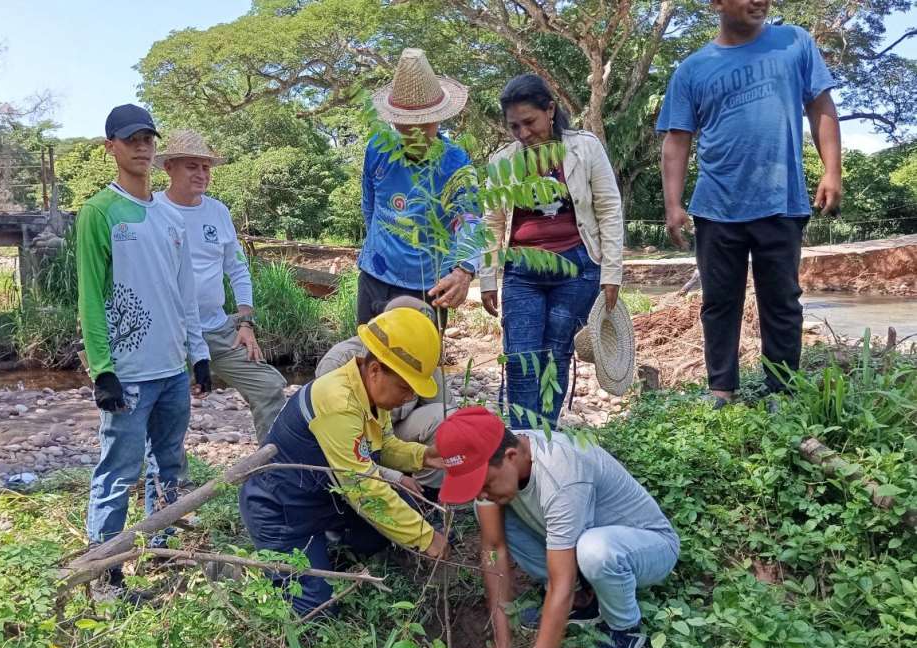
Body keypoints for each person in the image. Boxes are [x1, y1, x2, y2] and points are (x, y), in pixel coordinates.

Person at [436, 407, 679, 648]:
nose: (483, 493)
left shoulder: (561, 472)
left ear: (511, 455)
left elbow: (558, 586)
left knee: (595, 552)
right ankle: (588, 599)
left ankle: (625, 632)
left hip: (645, 545)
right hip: (580, 544)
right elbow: (493, 552)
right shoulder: (496, 472)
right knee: (498, 521)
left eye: (485, 484)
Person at [657, 0, 842, 407]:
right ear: (717, 4)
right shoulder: (692, 68)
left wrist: (832, 171)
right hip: (716, 205)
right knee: (719, 301)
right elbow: (677, 139)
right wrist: (673, 204)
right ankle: (721, 388)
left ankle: (781, 388)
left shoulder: (795, 43)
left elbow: (821, 106)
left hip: (781, 199)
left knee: (782, 301)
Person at [239, 308, 451, 615]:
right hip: (282, 512)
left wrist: (424, 456)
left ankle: (329, 548)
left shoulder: (368, 393)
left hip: (326, 501)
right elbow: (364, 490)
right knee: (316, 611)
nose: (408, 398)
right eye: (405, 388)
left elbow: (384, 445)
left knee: (396, 512)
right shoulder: (339, 401)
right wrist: (426, 538)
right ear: (376, 369)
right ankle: (259, 572)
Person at [76, 104, 211, 586]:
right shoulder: (99, 212)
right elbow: (90, 296)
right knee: (119, 468)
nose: (141, 147)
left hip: (172, 369)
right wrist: (102, 370)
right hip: (128, 374)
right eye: (130, 139)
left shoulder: (170, 217)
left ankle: (162, 549)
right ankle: (105, 571)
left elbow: (185, 293)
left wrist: (198, 354)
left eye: (148, 139)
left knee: (169, 462)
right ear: (110, 146)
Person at [480, 74, 624, 426]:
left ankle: (543, 438)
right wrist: (486, 278)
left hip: (576, 268)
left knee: (556, 353)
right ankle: (523, 437)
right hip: (521, 272)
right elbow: (492, 222)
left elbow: (608, 208)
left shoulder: (585, 148)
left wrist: (612, 273)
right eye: (514, 127)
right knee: (519, 357)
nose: (524, 133)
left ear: (550, 110)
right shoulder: (503, 162)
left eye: (530, 122)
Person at [153, 129, 286, 442]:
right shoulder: (152, 210)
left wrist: (245, 323)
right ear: (169, 167)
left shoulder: (218, 212)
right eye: (192, 166)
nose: (201, 174)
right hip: (169, 331)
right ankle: (172, 484)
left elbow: (237, 270)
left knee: (270, 387)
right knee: (166, 407)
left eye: (206, 167)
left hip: (217, 328)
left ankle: (273, 472)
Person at [359, 48, 482, 324]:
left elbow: (470, 221)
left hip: (428, 285)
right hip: (376, 278)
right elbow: (370, 207)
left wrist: (464, 270)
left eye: (423, 125)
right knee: (370, 362)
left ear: (438, 118)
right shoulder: (377, 149)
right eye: (405, 126)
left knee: (420, 366)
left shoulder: (456, 163)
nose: (414, 136)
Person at [315, 296, 454, 495]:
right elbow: (338, 452)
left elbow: (449, 413)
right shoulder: (339, 361)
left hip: (392, 436)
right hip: (350, 441)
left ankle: (428, 498)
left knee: (444, 418)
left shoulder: (420, 358)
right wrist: (394, 477)